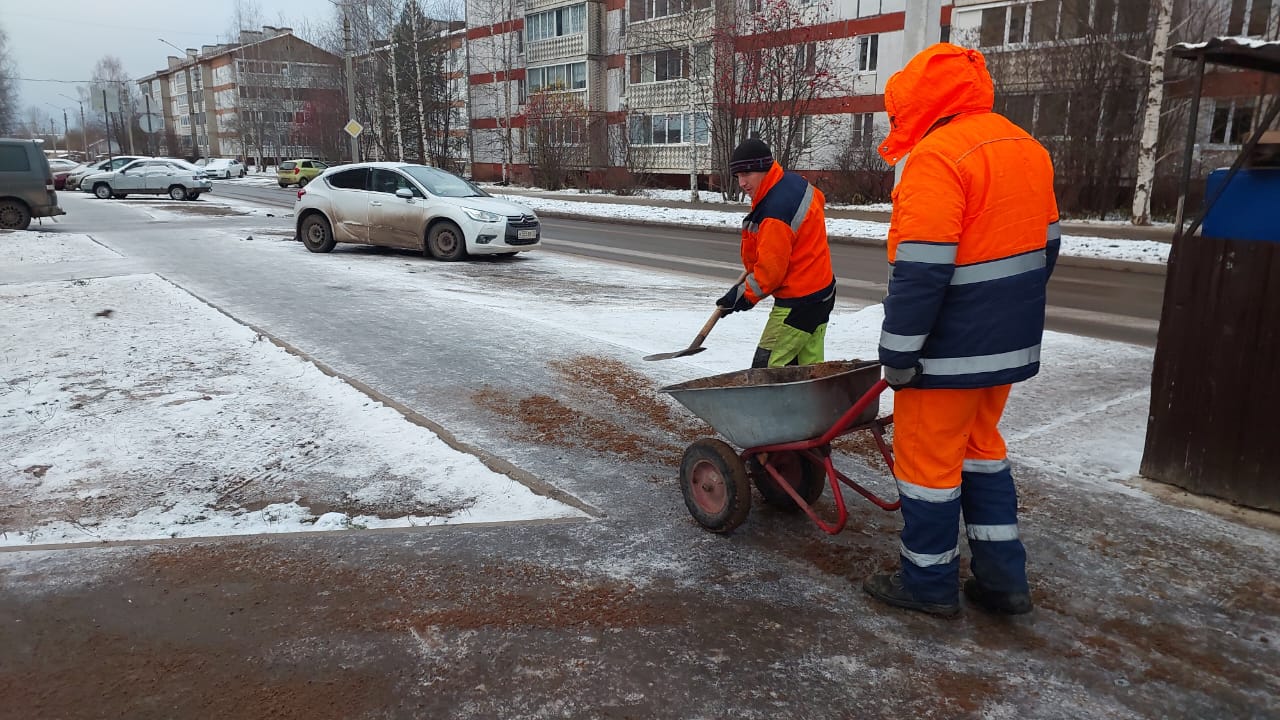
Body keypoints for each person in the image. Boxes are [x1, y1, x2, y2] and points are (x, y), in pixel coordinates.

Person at [860, 43, 1060, 617]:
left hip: (946, 355)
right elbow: (1047, 249)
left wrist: (898, 353)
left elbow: (921, 269)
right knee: (982, 451)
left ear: (918, 104)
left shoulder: (937, 158)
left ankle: (926, 586)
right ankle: (1003, 582)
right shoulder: (1026, 148)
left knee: (927, 465)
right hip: (1005, 347)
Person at [716, 138, 836, 368]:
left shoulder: (774, 211)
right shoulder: (792, 183)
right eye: (738, 176)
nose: (741, 183)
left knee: (766, 369)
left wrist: (741, 296)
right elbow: (817, 202)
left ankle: (770, 405)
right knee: (807, 368)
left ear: (763, 168)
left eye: (746, 174)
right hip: (824, 291)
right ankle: (815, 404)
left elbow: (770, 274)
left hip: (799, 303)